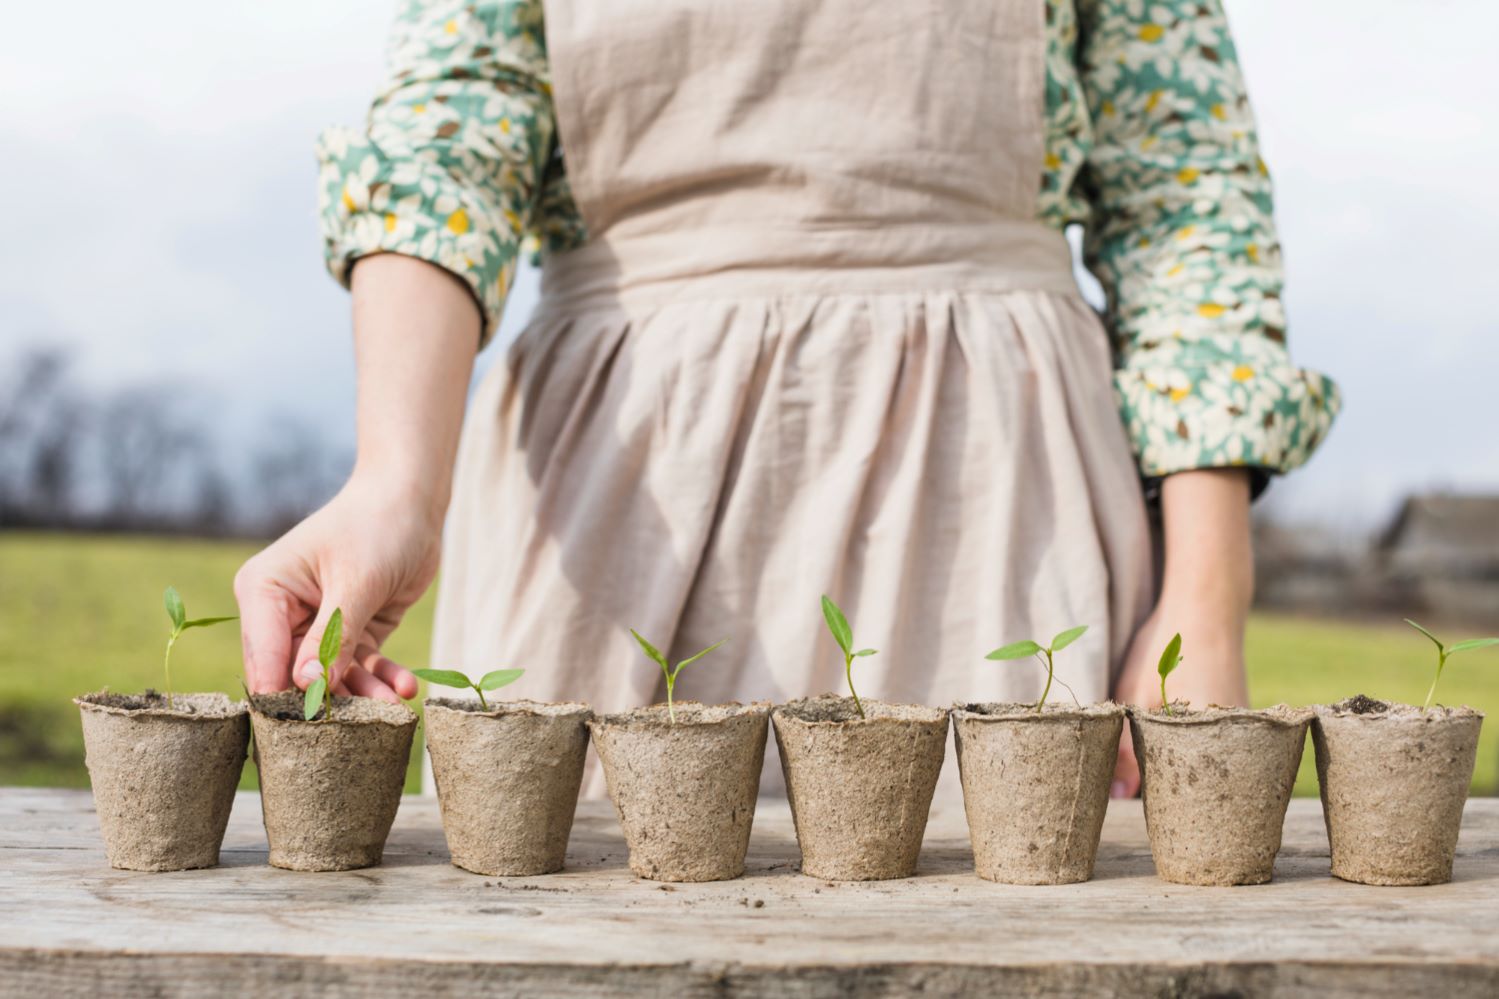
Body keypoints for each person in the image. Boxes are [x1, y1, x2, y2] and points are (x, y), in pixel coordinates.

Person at [234, 0, 1338, 798]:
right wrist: (393, 484)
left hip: (997, 481)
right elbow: (444, 150)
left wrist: (1205, 589)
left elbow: (1188, 201)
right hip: (609, 498)